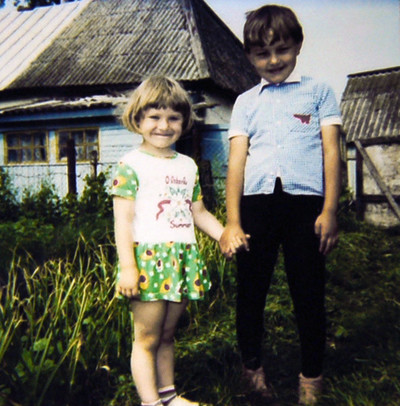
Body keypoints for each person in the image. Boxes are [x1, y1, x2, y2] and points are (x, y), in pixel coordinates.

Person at [220, 5, 342, 405]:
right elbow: (236, 162)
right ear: (249, 56)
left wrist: (329, 210)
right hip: (256, 207)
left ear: (298, 45)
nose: (273, 61)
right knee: (250, 291)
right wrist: (233, 222)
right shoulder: (245, 102)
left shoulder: (319, 92)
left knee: (308, 291)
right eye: (262, 54)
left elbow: (331, 152)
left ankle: (311, 375)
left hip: (306, 207)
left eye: (282, 50)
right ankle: (252, 368)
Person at [112, 76, 231, 406]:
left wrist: (225, 235)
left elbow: (199, 212)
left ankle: (169, 396)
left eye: (173, 118)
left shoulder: (188, 166)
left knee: (166, 335)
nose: (164, 126)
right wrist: (127, 267)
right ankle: (150, 402)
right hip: (147, 262)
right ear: (137, 119)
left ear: (184, 121)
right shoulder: (130, 164)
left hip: (181, 260)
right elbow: (123, 221)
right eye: (154, 116)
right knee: (146, 338)